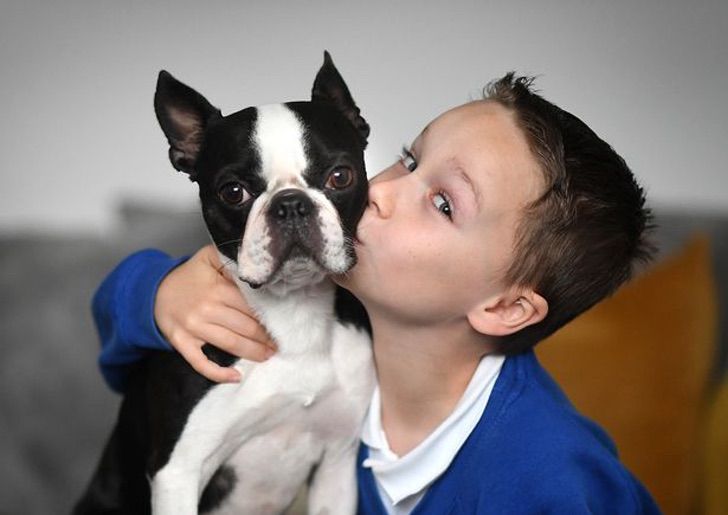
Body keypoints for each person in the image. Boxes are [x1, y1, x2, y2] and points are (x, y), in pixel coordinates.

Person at [93, 73, 660, 514]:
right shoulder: (344, 321)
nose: (385, 191)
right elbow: (131, 369)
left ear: (505, 306)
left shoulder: (551, 478)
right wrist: (155, 293)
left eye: (442, 203)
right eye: (409, 160)